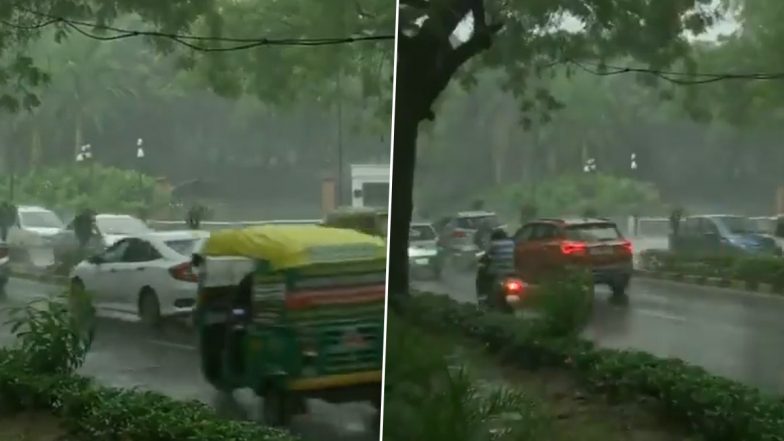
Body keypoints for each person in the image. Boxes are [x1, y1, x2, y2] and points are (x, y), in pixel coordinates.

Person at [475, 227, 516, 308]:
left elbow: (486, 257)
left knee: (482, 275)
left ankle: (482, 297)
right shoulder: (512, 243)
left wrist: (481, 261)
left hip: (497, 271)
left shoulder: (494, 244)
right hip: (512, 271)